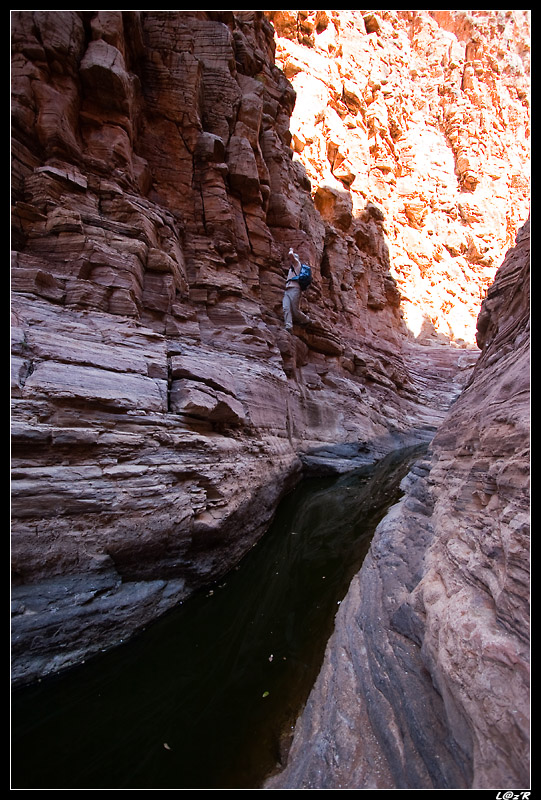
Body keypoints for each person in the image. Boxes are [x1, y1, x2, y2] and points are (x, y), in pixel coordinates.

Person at [282, 248, 311, 331]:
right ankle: (289, 327)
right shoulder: (291, 268)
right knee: (286, 308)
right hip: (287, 290)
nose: (291, 260)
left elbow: (290, 255)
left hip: (295, 289)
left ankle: (306, 320)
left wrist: (291, 250)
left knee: (295, 310)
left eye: (293, 259)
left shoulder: (297, 264)